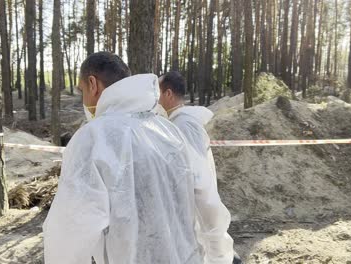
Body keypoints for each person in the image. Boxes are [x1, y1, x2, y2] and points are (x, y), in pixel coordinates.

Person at [43, 52, 234, 264]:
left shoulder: (92, 139)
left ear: (92, 84)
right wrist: (219, 257)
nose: (84, 100)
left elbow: (69, 232)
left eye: (82, 91)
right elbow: (209, 205)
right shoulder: (170, 131)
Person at [157, 71, 242, 264]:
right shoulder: (178, 123)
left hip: (198, 217)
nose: (154, 100)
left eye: (157, 93)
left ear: (168, 94)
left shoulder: (185, 126)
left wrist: (216, 245)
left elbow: (198, 180)